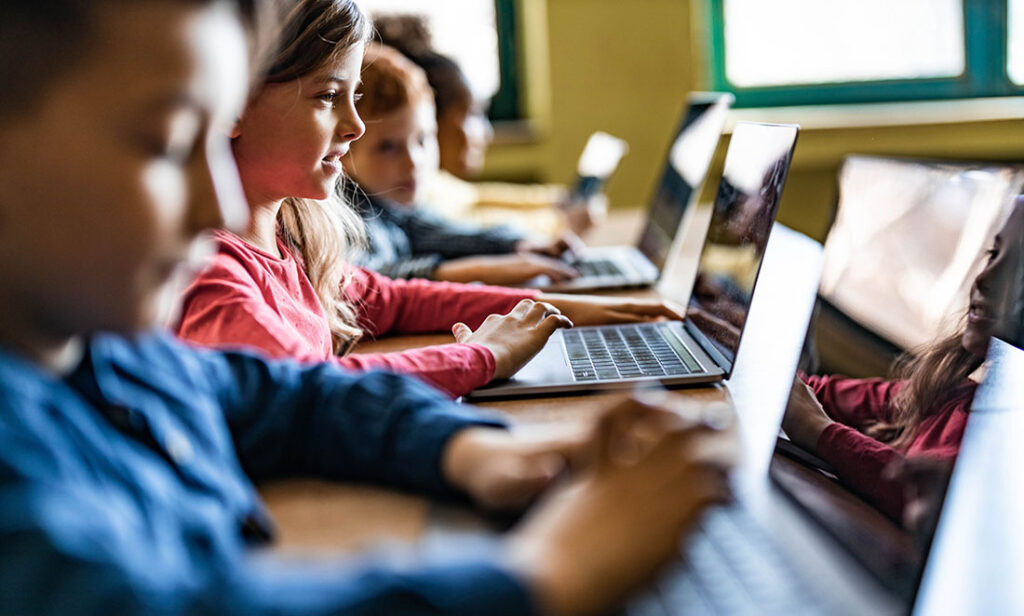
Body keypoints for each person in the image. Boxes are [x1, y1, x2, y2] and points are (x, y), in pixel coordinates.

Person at [0, 1, 738, 614]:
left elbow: (290, 400)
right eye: (166, 144)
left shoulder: (101, 352)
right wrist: (543, 575)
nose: (220, 200)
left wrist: (472, 450)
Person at [176, 2, 687, 398]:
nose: (355, 127)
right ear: (231, 104)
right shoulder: (208, 270)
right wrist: (482, 357)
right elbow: (314, 390)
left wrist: (556, 309)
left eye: (354, 97)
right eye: (329, 96)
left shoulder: (292, 235)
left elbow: (393, 300)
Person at [781, 198, 1024, 521]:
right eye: (993, 256)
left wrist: (818, 430)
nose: (984, 279)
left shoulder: (1008, 445)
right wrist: (746, 351)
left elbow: (928, 492)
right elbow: (824, 394)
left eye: (1017, 271)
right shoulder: (950, 392)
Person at [343, 43, 580, 285]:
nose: (414, 161)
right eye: (388, 147)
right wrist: (479, 271)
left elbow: (440, 232)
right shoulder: (343, 216)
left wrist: (520, 244)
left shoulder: (391, 206)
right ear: (341, 150)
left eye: (423, 139)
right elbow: (367, 282)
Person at [374, 13, 606, 238]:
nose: (486, 132)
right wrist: (561, 222)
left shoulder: (436, 183)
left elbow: (475, 199)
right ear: (431, 116)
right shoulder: (406, 192)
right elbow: (470, 229)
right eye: (471, 115)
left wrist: (557, 201)